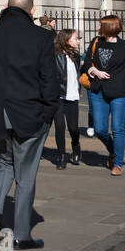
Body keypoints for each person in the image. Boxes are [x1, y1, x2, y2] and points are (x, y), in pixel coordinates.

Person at [0, 0, 59, 250]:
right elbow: (49, 80)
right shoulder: (42, 36)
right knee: (26, 174)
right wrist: (49, 113)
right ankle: (21, 234)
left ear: (6, 7)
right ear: (31, 11)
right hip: (30, 112)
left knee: (3, 161)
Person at [83, 15, 125, 176]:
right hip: (98, 91)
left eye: (100, 26)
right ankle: (113, 150)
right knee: (100, 128)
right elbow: (87, 61)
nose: (97, 28)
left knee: (117, 128)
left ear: (109, 28)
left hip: (120, 93)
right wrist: (94, 71)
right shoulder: (96, 42)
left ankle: (117, 164)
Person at [51, 28, 83, 170]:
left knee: (73, 128)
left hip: (72, 95)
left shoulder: (76, 56)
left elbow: (77, 76)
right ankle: (61, 155)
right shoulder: (55, 55)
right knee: (59, 126)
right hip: (58, 95)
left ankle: (76, 147)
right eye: (76, 38)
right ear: (66, 40)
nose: (78, 41)